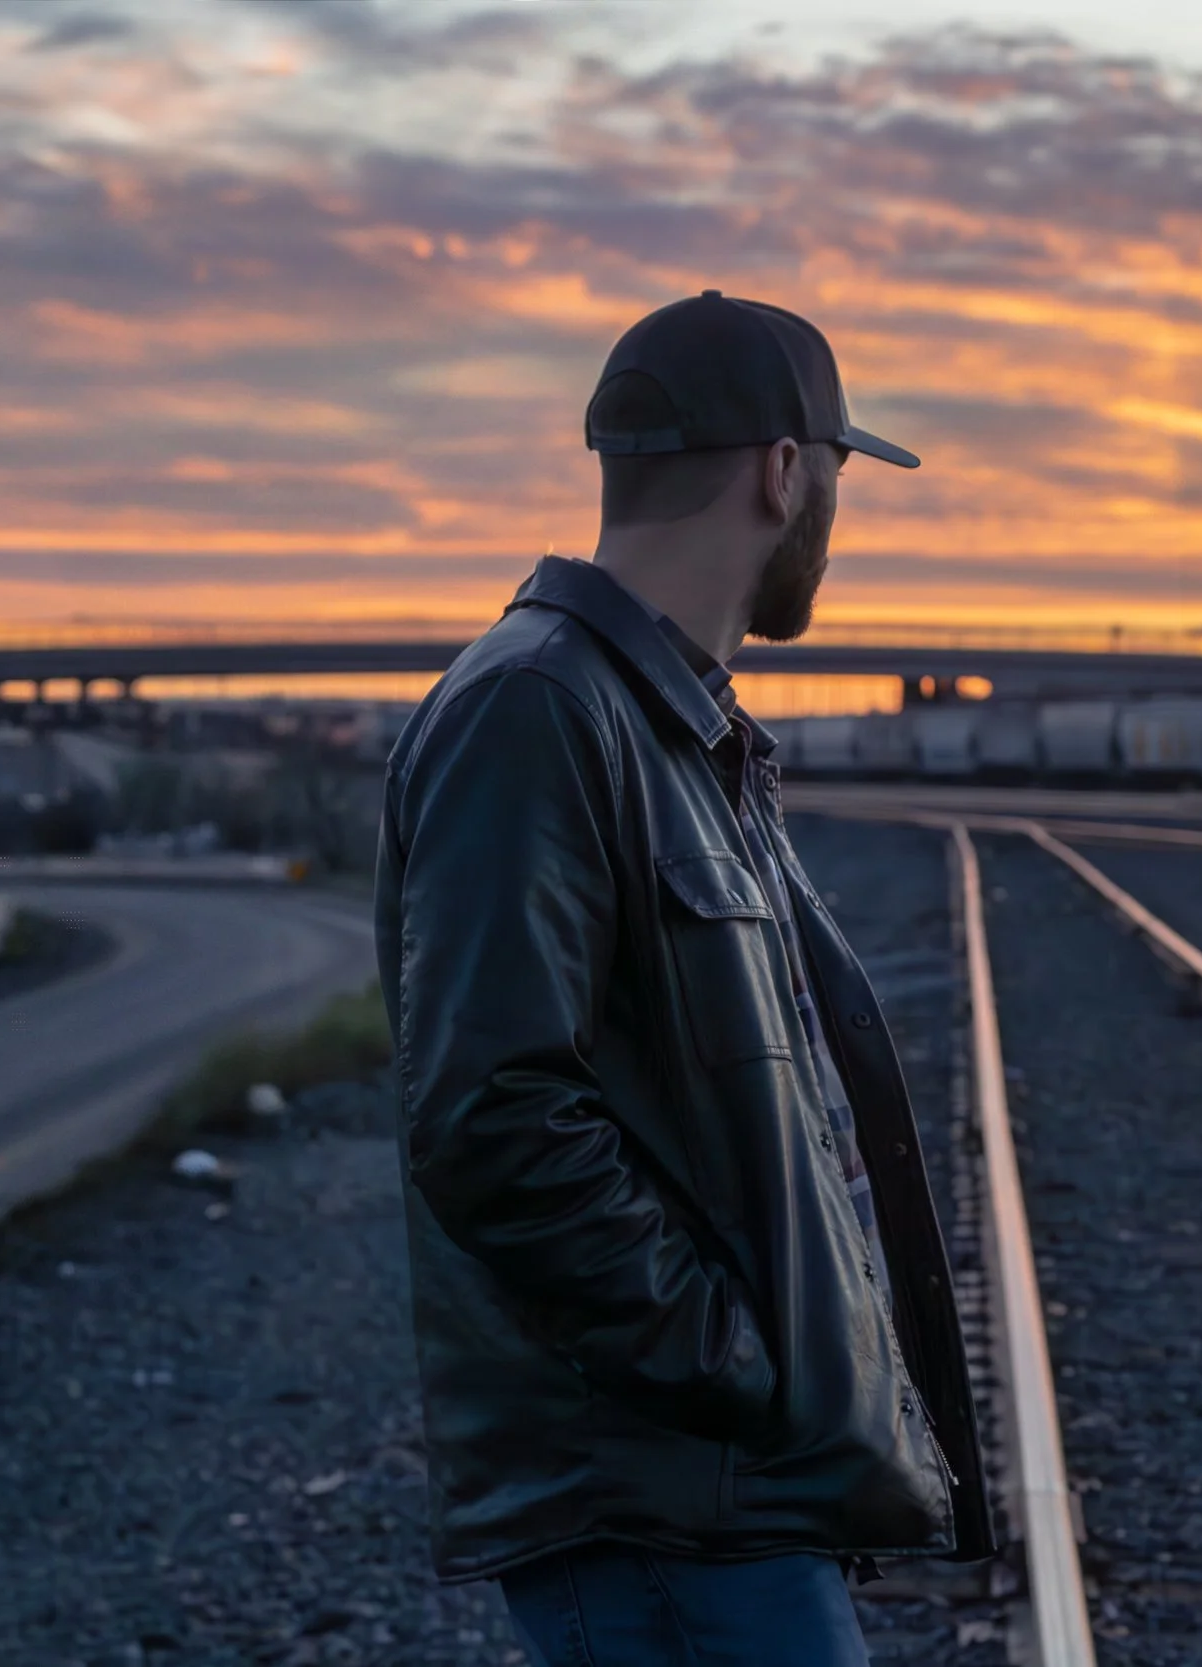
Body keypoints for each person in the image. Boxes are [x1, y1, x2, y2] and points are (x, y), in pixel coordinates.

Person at [376, 293, 993, 1667]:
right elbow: (491, 1114)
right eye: (835, 474)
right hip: (669, 1508)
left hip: (721, 1502)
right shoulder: (539, 709)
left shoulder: (667, 724)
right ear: (786, 470)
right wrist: (745, 1367)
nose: (831, 511)